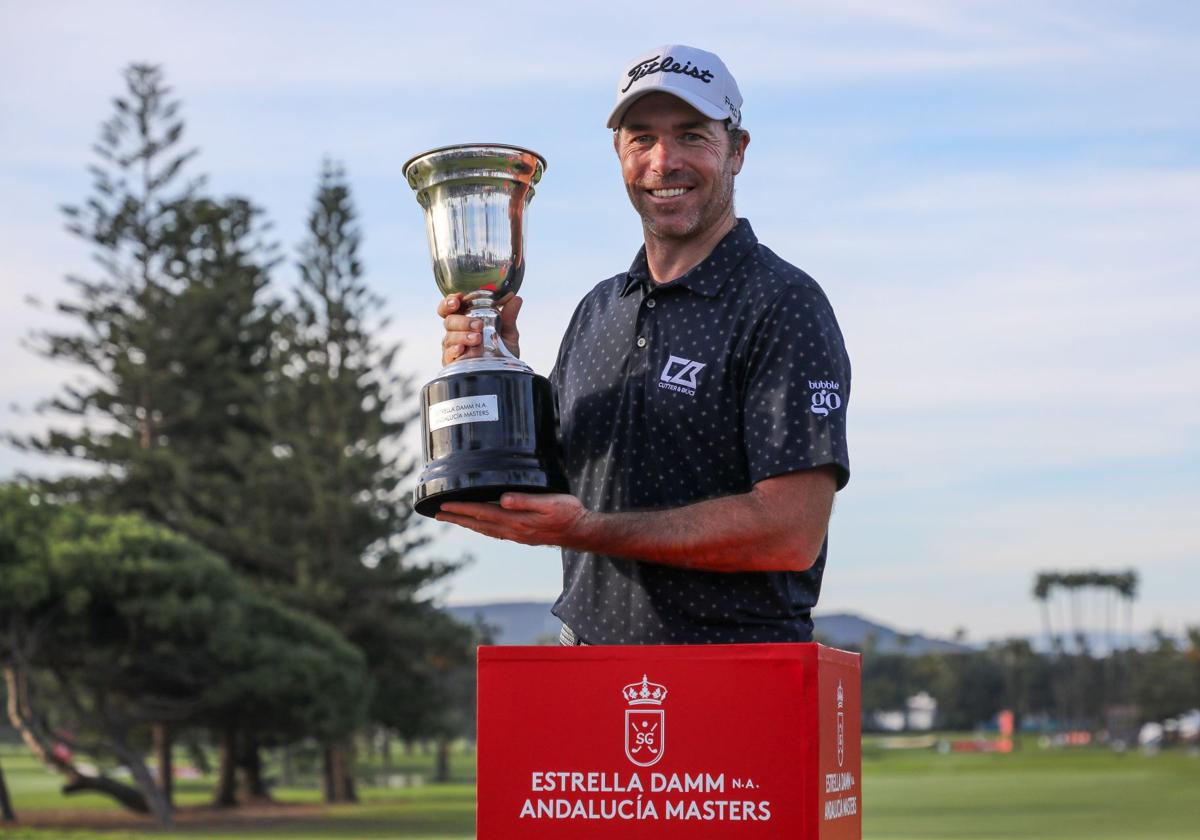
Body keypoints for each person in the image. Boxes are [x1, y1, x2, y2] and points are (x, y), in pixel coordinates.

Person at [435, 45, 851, 645]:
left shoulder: (782, 304)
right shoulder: (598, 310)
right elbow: (552, 486)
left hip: (735, 678)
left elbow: (789, 532)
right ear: (618, 152)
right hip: (589, 672)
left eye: (691, 136)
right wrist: (493, 377)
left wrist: (586, 530)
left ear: (737, 151)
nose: (664, 161)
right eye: (641, 138)